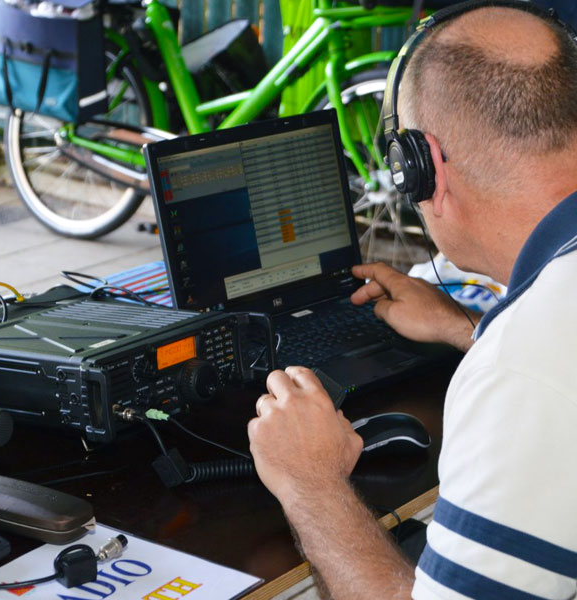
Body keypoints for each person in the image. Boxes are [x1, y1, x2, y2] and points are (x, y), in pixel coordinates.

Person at [247, 2, 577, 599]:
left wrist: (309, 483)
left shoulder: (518, 375)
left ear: (422, 170)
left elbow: (542, 378)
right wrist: (465, 327)